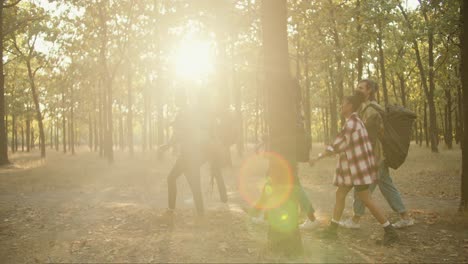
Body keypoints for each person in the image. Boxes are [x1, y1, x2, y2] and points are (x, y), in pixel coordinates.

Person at [310, 94, 399, 245]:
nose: (340, 106)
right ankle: (333, 230)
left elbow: (336, 145)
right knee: (340, 194)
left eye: (343, 104)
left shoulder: (352, 124)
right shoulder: (356, 121)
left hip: (358, 170)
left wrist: (318, 157)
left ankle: (390, 231)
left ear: (350, 106)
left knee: (366, 198)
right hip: (356, 169)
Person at [340, 79, 414, 229]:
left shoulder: (371, 109)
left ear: (369, 91)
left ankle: (355, 220)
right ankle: (404, 216)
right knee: (384, 185)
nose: (357, 90)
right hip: (377, 156)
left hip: (374, 157)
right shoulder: (366, 108)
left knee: (362, 188)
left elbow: (370, 135)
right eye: (357, 87)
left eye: (361, 88)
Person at [162, 99, 228, 216]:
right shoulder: (191, 112)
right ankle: (200, 212)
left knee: (172, 178)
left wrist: (167, 145)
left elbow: (178, 134)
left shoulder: (184, 114)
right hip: (194, 155)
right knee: (194, 185)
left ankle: (172, 209)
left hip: (187, 155)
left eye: (177, 97)